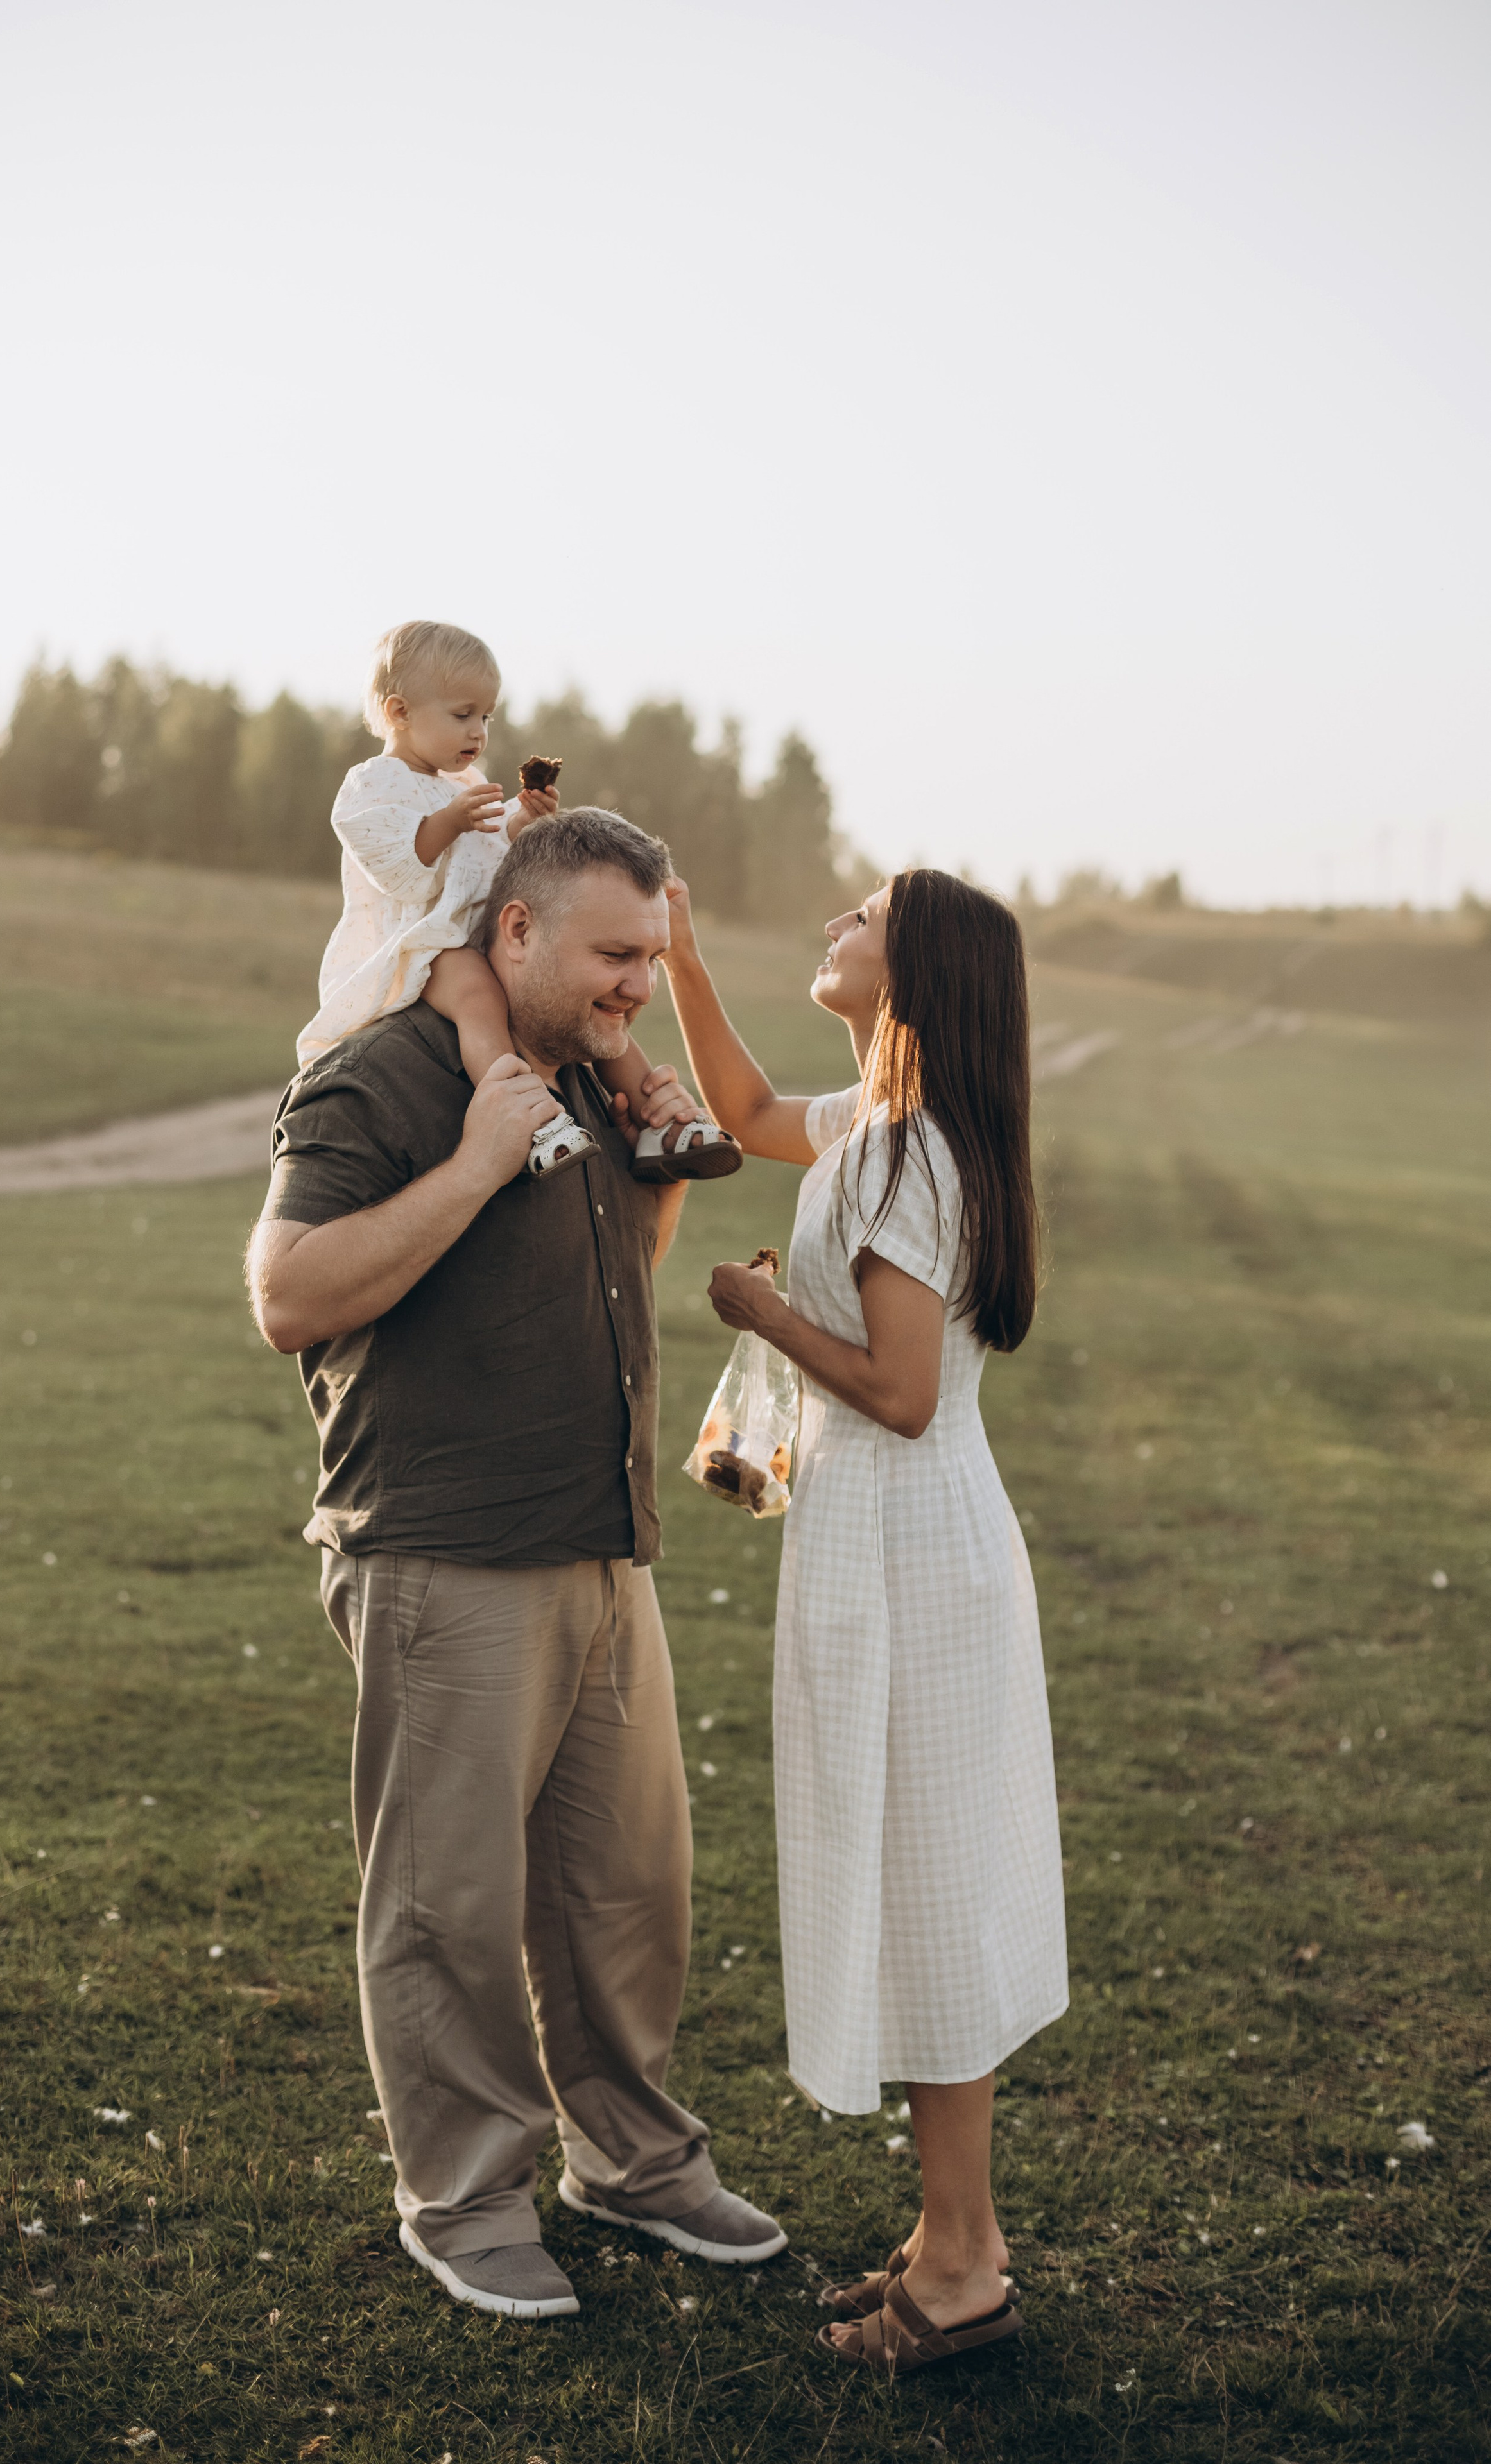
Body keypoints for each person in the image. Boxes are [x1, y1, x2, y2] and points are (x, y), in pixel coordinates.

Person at [246, 807, 787, 2322]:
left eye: (652, 956)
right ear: (516, 931)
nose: (637, 982)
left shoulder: (590, 1080)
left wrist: (664, 1155)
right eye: (617, 955)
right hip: (443, 1547)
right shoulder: (390, 1073)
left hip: (604, 1542)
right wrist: (481, 1160)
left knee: (627, 1891)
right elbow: (286, 1293)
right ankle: (465, 2196)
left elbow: (618, 1265)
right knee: (448, 1904)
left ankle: (629, 2158)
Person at [662, 868, 1068, 2378]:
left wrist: (759, 1311)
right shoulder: (877, 1132)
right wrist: (686, 958)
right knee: (913, 1878)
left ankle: (962, 2266)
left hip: (908, 1546)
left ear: (919, 969)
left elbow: (896, 1393)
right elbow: (755, 1106)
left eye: (860, 910)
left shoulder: (908, 1161)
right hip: (892, 1543)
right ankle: (939, 2229)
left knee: (924, 1883)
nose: (831, 916)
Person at [297, 618, 738, 1184]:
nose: (478, 732)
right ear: (399, 712)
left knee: (597, 1014)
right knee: (481, 998)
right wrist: (447, 822)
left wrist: (521, 821)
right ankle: (526, 1117)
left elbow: (485, 854)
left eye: (486, 717)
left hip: (472, 930)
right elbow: (399, 873)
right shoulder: (373, 785)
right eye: (462, 715)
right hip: (421, 942)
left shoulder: (461, 784)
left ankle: (660, 1120)